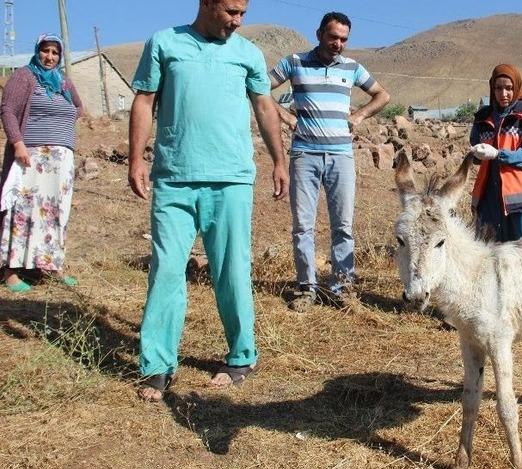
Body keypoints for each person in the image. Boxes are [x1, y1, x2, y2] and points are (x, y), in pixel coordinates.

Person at [128, 0, 288, 401]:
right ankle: (157, 365)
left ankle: (241, 356)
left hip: (230, 178)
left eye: (243, 13)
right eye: (231, 11)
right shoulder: (165, 43)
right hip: (174, 178)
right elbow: (145, 100)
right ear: (206, 3)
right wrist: (136, 159)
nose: (238, 21)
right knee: (166, 270)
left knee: (231, 268)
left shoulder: (248, 53)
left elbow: (264, 106)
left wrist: (279, 160)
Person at [269, 11, 390, 311]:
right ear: (319, 34)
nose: (338, 44)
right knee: (303, 226)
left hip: (341, 156)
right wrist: (284, 116)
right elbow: (259, 87)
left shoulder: (352, 68)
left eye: (344, 39)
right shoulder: (294, 62)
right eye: (333, 37)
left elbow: (382, 95)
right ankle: (306, 289)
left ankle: (342, 288)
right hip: (304, 155)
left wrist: (358, 116)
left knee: (343, 226)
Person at [0, 34, 84, 293]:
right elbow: (7, 110)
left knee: (56, 212)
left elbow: (79, 108)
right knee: (22, 210)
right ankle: (10, 271)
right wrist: (18, 143)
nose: (50, 57)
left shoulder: (63, 81)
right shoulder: (24, 76)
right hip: (31, 156)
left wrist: (60, 129)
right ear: (37, 51)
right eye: (45, 51)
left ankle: (50, 265)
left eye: (55, 52)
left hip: (61, 161)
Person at [469, 64, 522, 242]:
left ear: (516, 87)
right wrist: (477, 154)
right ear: (492, 88)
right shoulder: (482, 118)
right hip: (489, 198)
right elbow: (475, 145)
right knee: (490, 251)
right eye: (498, 88)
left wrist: (498, 154)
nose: (503, 94)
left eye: (509, 88)